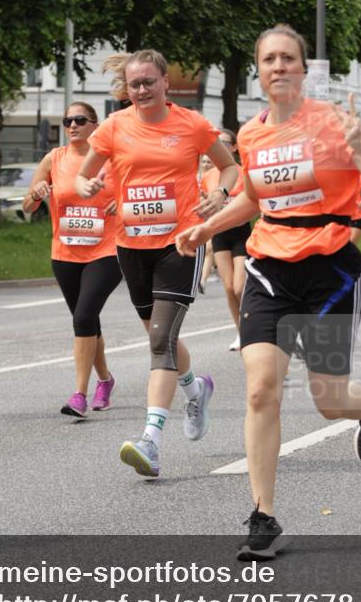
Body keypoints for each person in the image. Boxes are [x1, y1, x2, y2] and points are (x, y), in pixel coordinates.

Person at [176, 25, 361, 560]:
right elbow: (255, 198)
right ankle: (263, 515)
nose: (278, 66)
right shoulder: (251, 134)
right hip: (270, 270)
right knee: (260, 389)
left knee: (329, 401)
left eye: (288, 58)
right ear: (259, 70)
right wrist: (206, 229)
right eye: (268, 59)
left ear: (302, 68)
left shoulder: (335, 123)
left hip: (331, 273)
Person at [75, 49, 237, 478]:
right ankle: (195, 388)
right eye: (134, 84)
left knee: (159, 338)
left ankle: (151, 439)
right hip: (131, 245)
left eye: (149, 82)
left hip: (180, 240)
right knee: (157, 335)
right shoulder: (113, 126)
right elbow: (82, 176)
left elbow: (229, 169)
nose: (142, 90)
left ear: (166, 82)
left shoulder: (192, 124)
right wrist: (88, 184)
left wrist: (220, 194)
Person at [23, 102, 123, 418]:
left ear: (95, 125)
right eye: (68, 120)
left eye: (80, 120)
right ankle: (105, 380)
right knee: (87, 322)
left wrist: (119, 204)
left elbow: (134, 192)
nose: (73, 125)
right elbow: (27, 206)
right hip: (65, 253)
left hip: (107, 251)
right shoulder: (54, 159)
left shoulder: (111, 159)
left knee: (82, 317)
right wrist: (38, 193)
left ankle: (79, 394)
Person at [201, 129, 251, 351]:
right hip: (220, 235)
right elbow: (206, 205)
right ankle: (241, 333)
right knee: (229, 288)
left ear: (233, 148)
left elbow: (252, 204)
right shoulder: (208, 177)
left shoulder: (244, 172)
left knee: (240, 287)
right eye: (215, 142)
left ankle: (254, 327)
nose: (218, 146)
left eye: (223, 142)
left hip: (241, 233)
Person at [197, 154, 216, 295]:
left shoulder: (216, 178)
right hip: (194, 215)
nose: (205, 164)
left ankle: (202, 280)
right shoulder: (195, 176)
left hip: (211, 216)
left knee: (209, 248)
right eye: (203, 161)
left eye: (209, 161)